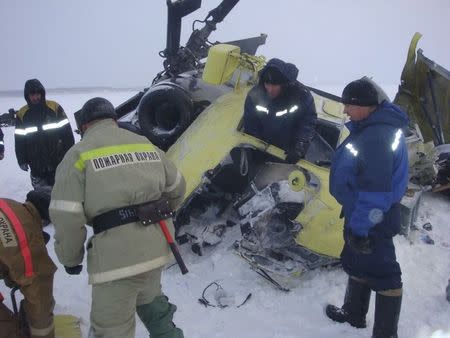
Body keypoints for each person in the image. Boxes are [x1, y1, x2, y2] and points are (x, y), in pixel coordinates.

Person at [49, 97, 186, 338]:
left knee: (112, 330)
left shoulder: (77, 155)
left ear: (84, 126)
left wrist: (71, 259)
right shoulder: (146, 145)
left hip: (116, 261)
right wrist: (161, 217)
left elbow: (67, 216)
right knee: (152, 304)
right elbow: (177, 187)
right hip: (156, 250)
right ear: (113, 119)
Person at [326, 78, 409, 337]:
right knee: (359, 261)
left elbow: (376, 191)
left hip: (374, 217)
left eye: (348, 105)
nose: (345, 110)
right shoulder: (371, 127)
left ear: (366, 105)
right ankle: (353, 313)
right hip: (362, 212)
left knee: (384, 272)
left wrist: (361, 227)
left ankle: (386, 333)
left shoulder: (377, 136)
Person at [0, 190, 56, 338]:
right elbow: (40, 295)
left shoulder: (9, 206)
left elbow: (6, 249)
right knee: (10, 332)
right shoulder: (26, 238)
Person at [243, 58, 317, 163]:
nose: (270, 89)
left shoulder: (302, 96)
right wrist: (255, 145)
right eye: (267, 84)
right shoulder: (254, 96)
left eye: (274, 85)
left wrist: (299, 147)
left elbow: (307, 123)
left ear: (283, 84)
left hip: (288, 151)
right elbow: (251, 123)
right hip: (262, 148)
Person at [15, 79, 74, 192]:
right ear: (27, 96)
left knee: (64, 193)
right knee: (43, 199)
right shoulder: (22, 114)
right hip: (37, 166)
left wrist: (71, 154)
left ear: (42, 93)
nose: (36, 97)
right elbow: (19, 140)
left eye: (38, 93)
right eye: (32, 94)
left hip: (58, 162)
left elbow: (67, 134)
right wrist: (21, 160)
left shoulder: (54, 108)